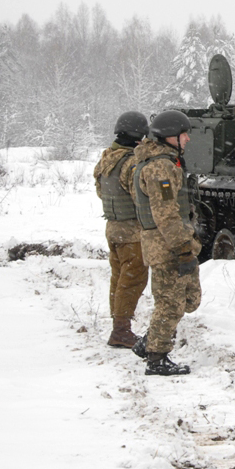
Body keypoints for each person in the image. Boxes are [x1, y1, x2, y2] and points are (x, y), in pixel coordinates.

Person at [131, 110, 201, 376]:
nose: (188, 140)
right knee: (170, 303)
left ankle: (149, 341)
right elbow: (166, 215)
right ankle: (157, 358)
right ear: (170, 137)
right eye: (183, 135)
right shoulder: (160, 167)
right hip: (168, 246)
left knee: (189, 299)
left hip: (170, 243)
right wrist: (183, 249)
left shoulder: (166, 163)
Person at [92, 111, 150, 348]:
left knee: (118, 278)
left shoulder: (107, 158)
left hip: (113, 227)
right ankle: (121, 330)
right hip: (132, 231)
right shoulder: (132, 163)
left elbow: (100, 190)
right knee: (133, 278)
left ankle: (119, 325)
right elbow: (141, 198)